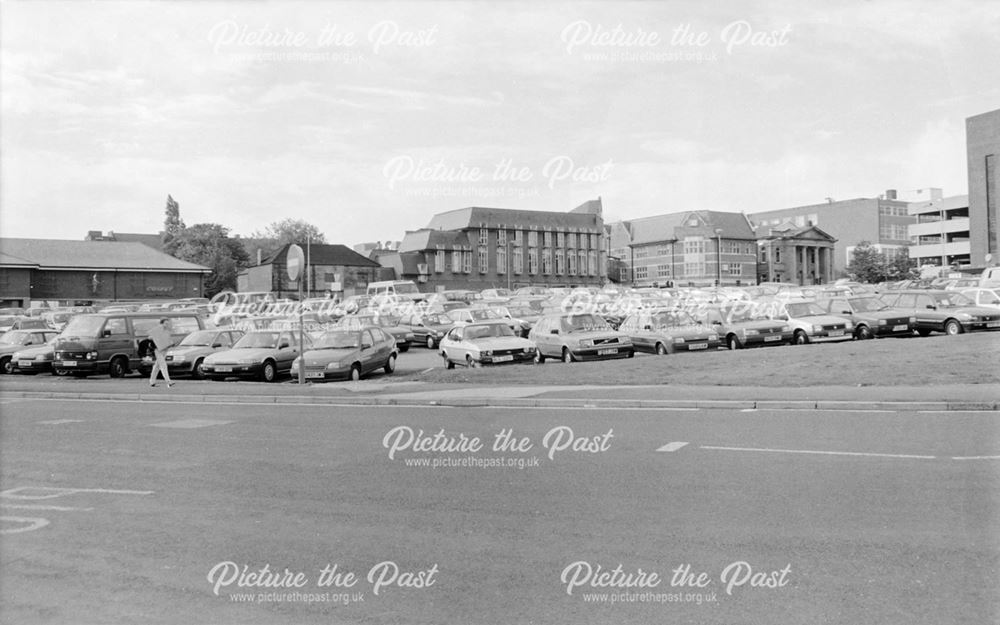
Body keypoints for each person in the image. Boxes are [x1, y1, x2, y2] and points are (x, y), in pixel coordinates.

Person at [148, 318, 175, 388]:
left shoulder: (166, 331)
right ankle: (168, 381)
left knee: (157, 366)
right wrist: (154, 338)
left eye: (168, 323)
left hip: (164, 349)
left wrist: (171, 343)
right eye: (166, 323)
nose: (167, 325)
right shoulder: (157, 330)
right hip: (158, 350)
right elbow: (150, 337)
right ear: (161, 323)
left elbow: (168, 339)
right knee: (163, 365)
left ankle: (152, 381)